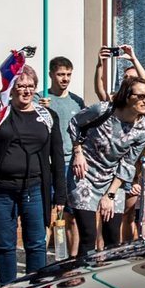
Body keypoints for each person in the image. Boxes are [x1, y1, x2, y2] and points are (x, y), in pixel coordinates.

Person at [0, 65, 65, 285]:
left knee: (36, 243)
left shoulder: (47, 116)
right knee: (5, 244)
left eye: (31, 86)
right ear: (12, 88)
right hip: (2, 190)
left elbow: (57, 157)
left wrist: (61, 196)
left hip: (35, 189)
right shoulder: (1, 114)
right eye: (21, 86)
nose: (26, 91)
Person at [68, 77, 145, 255]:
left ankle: (107, 278)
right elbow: (75, 123)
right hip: (85, 174)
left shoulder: (144, 127)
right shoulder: (103, 110)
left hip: (113, 178)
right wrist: (77, 152)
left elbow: (128, 163)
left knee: (113, 236)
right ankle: (84, 278)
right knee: (88, 235)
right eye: (141, 96)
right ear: (127, 96)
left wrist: (110, 195)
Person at [39, 56, 85, 256]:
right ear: (50, 74)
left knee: (72, 215)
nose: (65, 79)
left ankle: (71, 260)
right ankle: (41, 256)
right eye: (60, 74)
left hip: (70, 164)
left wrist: (79, 154)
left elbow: (83, 133)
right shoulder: (40, 99)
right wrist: (41, 109)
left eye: (68, 74)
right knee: (47, 215)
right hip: (47, 164)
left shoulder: (77, 101)